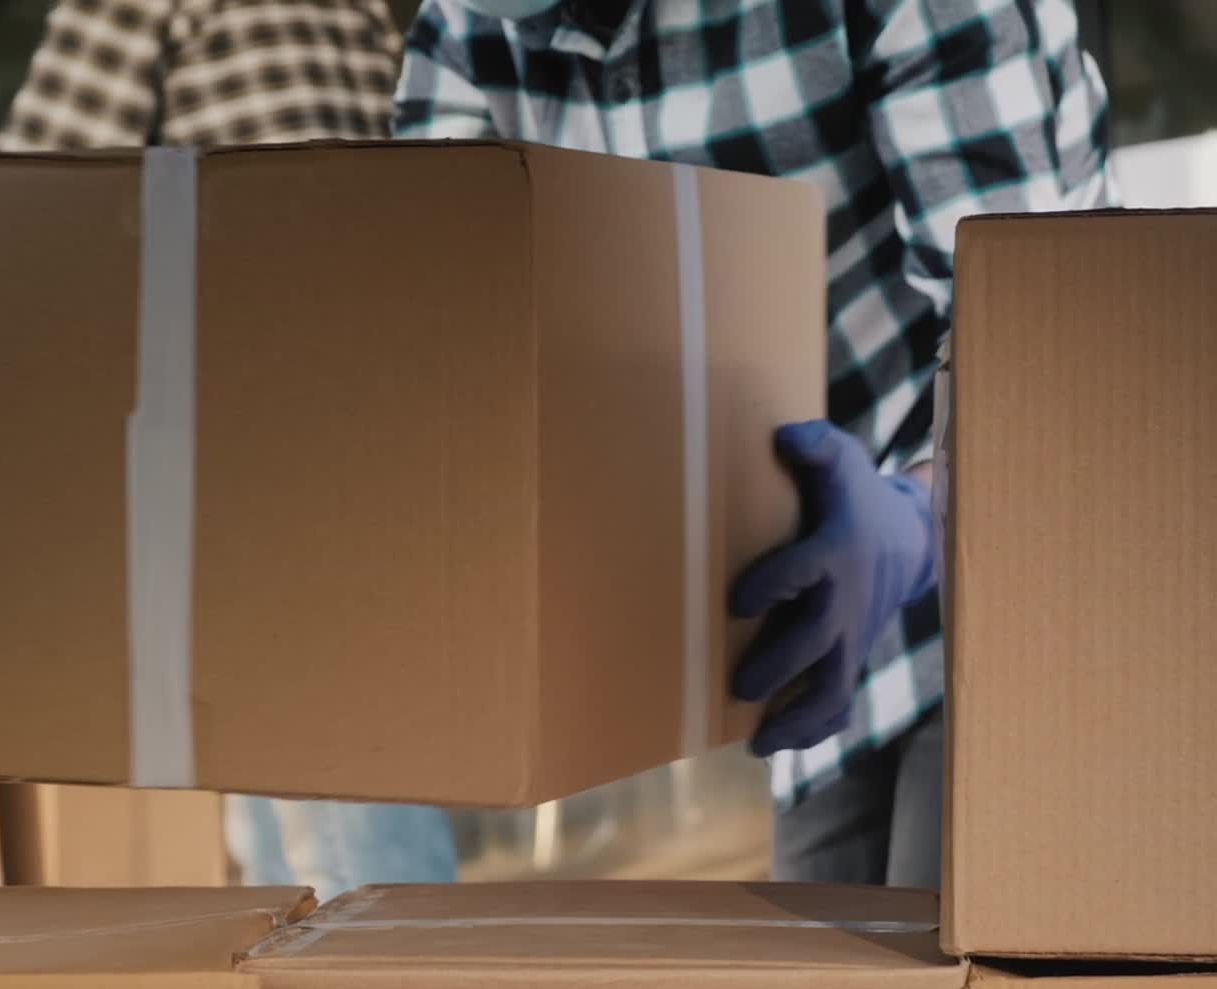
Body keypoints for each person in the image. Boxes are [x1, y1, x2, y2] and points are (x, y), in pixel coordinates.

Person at [393, 0, 1114, 889]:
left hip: (1024, 576)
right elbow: (453, 356)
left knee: (982, 974)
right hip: (814, 646)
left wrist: (917, 519)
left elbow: (1039, 339)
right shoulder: (464, 34)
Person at [0, 0, 457, 896]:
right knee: (309, 746)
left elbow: (32, 183)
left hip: (260, 411)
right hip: (383, 399)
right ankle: (336, 984)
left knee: (318, 749)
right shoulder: (373, 16)